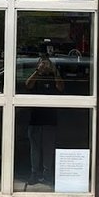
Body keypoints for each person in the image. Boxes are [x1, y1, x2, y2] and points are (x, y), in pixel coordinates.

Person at [25, 53, 63, 185]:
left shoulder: (54, 76)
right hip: (35, 118)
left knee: (48, 148)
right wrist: (38, 71)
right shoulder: (35, 75)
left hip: (50, 118)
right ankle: (34, 173)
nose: (45, 66)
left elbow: (61, 87)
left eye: (47, 63)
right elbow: (28, 85)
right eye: (42, 63)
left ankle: (47, 174)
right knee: (34, 148)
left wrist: (55, 71)